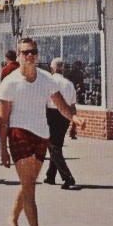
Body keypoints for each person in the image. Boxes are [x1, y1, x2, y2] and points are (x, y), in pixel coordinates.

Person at [0, 38, 85, 226]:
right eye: (26, 52)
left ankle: (12, 220)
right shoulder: (10, 82)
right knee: (30, 187)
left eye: (33, 52)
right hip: (19, 134)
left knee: (29, 184)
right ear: (17, 56)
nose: (30, 56)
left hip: (41, 135)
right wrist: (3, 149)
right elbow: (3, 120)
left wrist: (74, 118)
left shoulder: (47, 79)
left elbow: (62, 106)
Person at [44, 57, 79, 189]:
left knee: (53, 146)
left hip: (52, 114)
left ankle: (67, 176)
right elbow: (73, 105)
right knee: (56, 145)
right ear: (62, 68)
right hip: (65, 116)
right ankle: (51, 175)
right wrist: (73, 123)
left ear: (52, 68)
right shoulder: (69, 83)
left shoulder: (49, 81)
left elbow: (44, 102)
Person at [0, 49, 20, 165]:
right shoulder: (19, 68)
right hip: (20, 97)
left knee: (6, 121)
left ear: (6, 58)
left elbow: (2, 84)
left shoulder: (5, 69)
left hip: (7, 98)